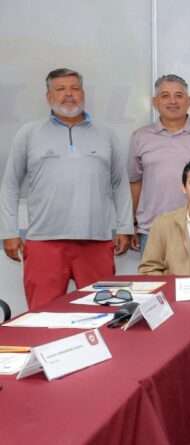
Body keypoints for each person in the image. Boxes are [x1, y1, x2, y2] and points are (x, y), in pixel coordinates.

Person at [0, 68, 133, 310]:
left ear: (83, 93)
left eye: (74, 88)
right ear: (48, 96)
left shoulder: (106, 134)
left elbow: (120, 184)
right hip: (44, 242)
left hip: (96, 241)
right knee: (42, 316)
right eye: (60, 89)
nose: (68, 94)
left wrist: (125, 227)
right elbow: (9, 185)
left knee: (102, 313)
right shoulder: (29, 133)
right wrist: (8, 231)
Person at [128, 74, 190, 252]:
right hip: (152, 231)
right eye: (165, 96)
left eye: (179, 95)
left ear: (188, 101)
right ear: (155, 102)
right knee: (153, 273)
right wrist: (131, 223)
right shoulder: (140, 137)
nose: (173, 101)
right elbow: (135, 182)